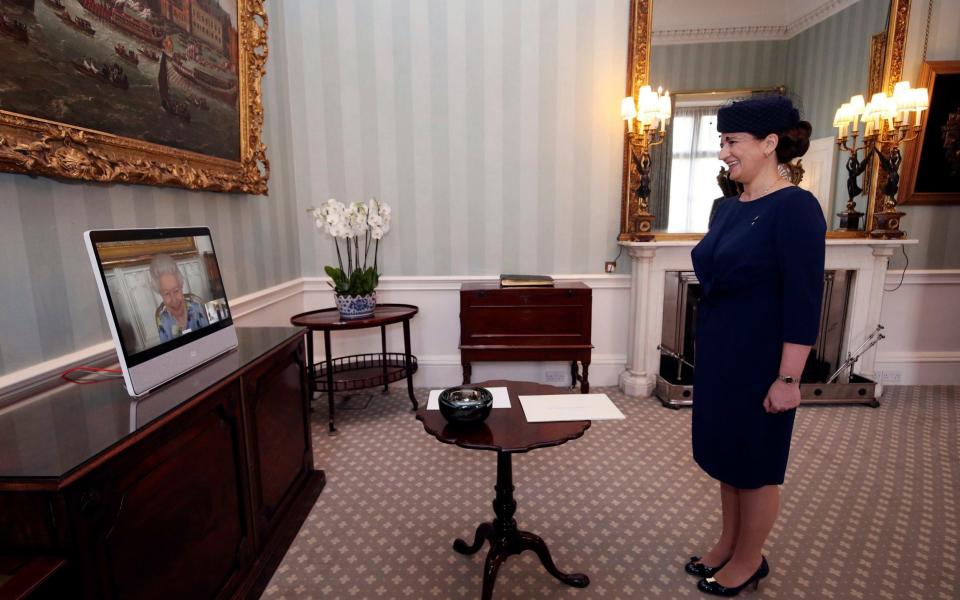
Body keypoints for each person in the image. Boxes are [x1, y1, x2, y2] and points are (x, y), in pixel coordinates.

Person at [686, 95, 825, 596]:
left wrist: (789, 379)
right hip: (721, 354)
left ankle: (749, 559)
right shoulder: (726, 206)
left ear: (770, 144)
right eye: (722, 141)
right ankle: (727, 543)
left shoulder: (796, 208)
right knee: (727, 457)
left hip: (762, 358)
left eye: (732, 141)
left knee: (756, 465)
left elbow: (804, 300)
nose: (724, 152)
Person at [149, 253, 209, 342]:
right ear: (160, 294)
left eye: (176, 291)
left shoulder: (196, 308)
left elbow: (209, 339)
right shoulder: (162, 320)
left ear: (181, 287)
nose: (174, 300)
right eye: (167, 293)